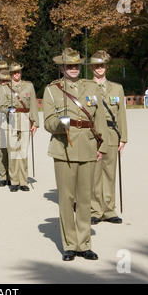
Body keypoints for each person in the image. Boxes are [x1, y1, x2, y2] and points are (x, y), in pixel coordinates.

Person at [43, 48, 108, 261]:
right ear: (62, 67)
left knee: (85, 199)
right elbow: (48, 122)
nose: (73, 69)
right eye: (69, 66)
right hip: (64, 148)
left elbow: (99, 119)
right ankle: (70, 244)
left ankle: (84, 243)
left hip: (89, 147)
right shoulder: (52, 90)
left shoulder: (91, 87)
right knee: (66, 198)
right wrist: (60, 125)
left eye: (76, 65)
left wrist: (102, 146)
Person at [89, 50, 128, 225]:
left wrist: (123, 138)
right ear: (91, 67)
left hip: (112, 134)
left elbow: (121, 115)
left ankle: (109, 209)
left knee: (110, 173)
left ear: (106, 66)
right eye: (96, 65)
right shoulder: (86, 87)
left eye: (102, 65)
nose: (100, 68)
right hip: (94, 134)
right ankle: (95, 210)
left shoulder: (117, 88)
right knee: (95, 173)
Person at [6, 62, 39, 192]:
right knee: (14, 151)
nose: (17, 74)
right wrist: (7, 111)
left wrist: (35, 122)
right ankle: (14, 180)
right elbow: (1, 106)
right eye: (14, 72)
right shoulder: (6, 88)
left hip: (25, 120)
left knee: (23, 151)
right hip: (11, 121)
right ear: (10, 74)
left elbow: (33, 105)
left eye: (18, 71)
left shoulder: (29, 86)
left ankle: (23, 180)